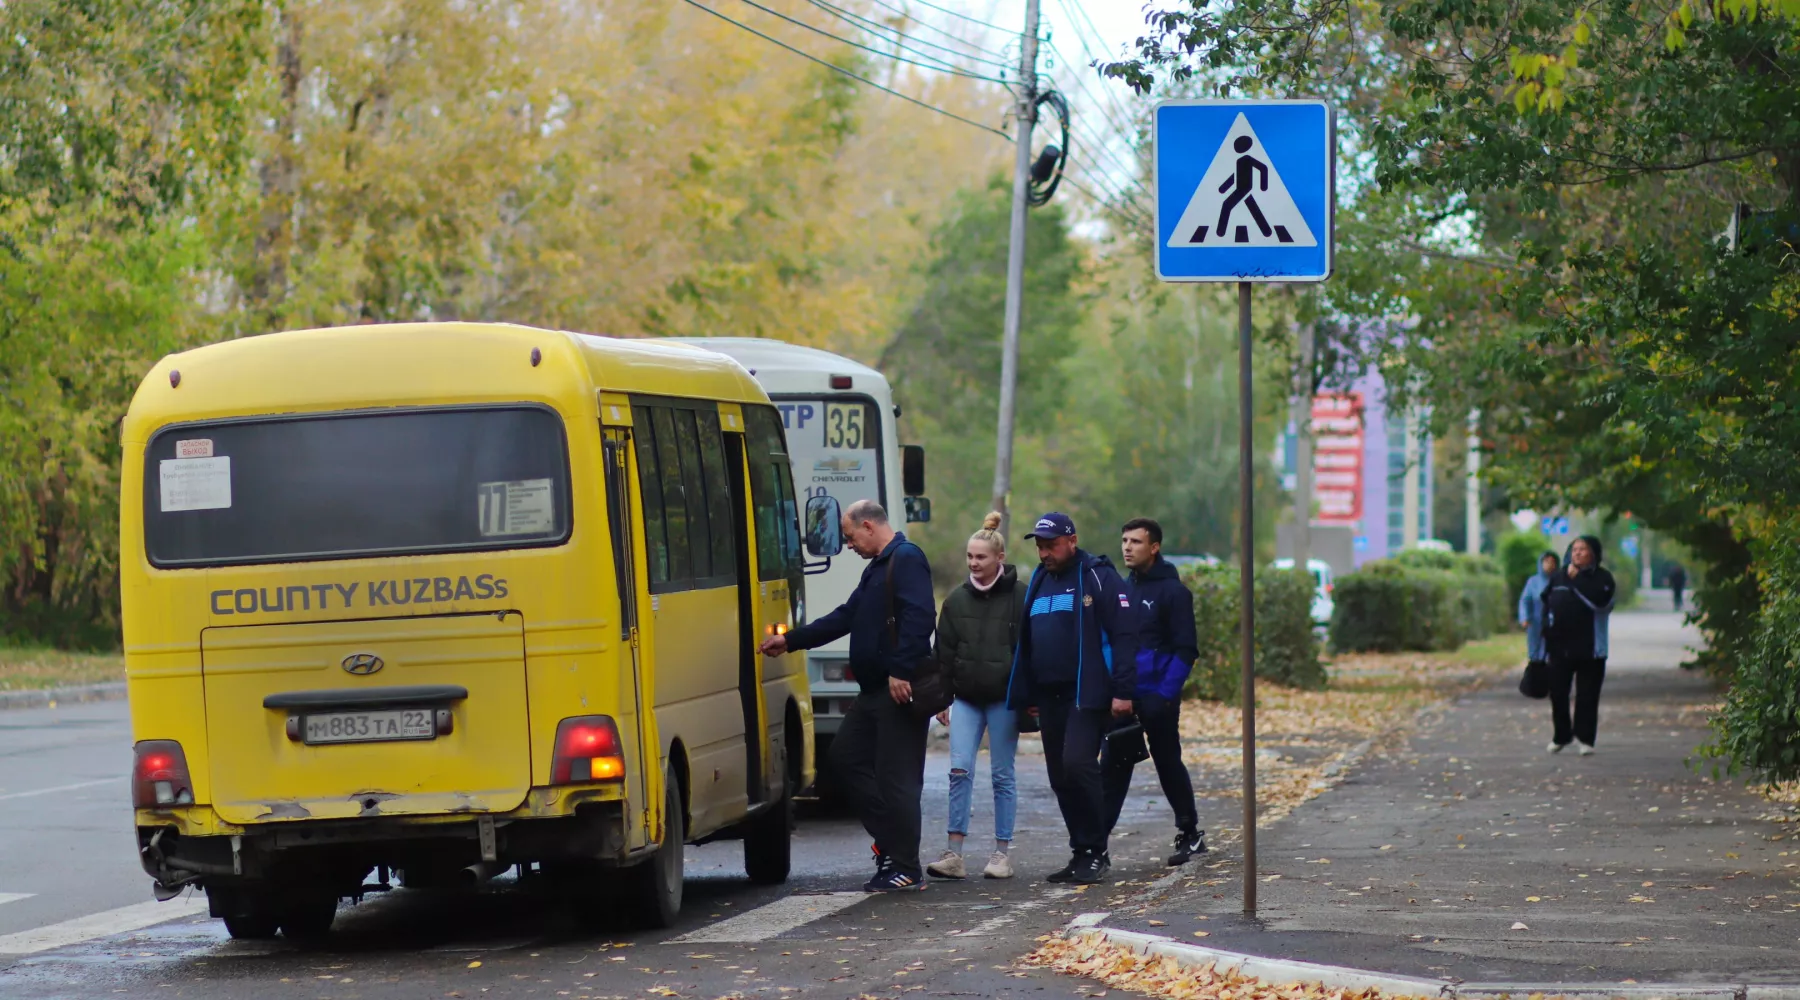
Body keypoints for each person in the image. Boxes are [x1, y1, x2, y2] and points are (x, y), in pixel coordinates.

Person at [759, 499, 935, 892]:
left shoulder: (906, 559)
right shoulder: (877, 568)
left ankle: (906, 867)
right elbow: (844, 616)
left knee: (898, 780)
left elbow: (921, 616)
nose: (848, 544)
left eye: (850, 535)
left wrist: (901, 670)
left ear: (869, 526)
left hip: (896, 690)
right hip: (873, 691)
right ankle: (891, 847)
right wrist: (789, 641)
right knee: (844, 759)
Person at [1005, 512, 1139, 884]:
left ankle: (1097, 850)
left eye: (1051, 545)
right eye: (1040, 546)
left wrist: (1123, 691)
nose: (1044, 553)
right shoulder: (1040, 579)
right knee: (1060, 775)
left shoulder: (1097, 575)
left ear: (1072, 541)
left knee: (1078, 764)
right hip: (1049, 696)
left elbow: (1125, 635)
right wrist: (1028, 691)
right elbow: (1029, 641)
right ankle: (1080, 852)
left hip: (1087, 692)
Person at [925, 512, 1029, 881]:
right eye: (970, 556)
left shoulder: (1021, 596)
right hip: (966, 698)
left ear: (999, 558)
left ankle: (1001, 854)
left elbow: (1029, 649)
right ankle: (954, 853)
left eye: (981, 556)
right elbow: (944, 654)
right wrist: (941, 697)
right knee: (959, 770)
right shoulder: (955, 600)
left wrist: (1029, 695)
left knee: (1003, 774)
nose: (974, 562)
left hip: (1004, 698)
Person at [1101, 518, 1206, 866]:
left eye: (1136, 542)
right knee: (1113, 765)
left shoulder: (1173, 592)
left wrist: (1164, 696)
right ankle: (1096, 843)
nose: (1127, 547)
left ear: (1154, 547)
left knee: (1167, 762)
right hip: (1124, 696)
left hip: (1157, 697)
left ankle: (1190, 833)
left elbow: (1185, 650)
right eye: (1124, 540)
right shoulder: (1122, 588)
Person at [1542, 535, 1615, 756]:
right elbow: (1547, 602)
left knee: (1587, 695)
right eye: (1574, 549)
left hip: (1591, 649)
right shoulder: (1560, 576)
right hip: (1560, 648)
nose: (1577, 553)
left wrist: (1576, 581)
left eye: (1583, 549)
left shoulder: (1602, 578)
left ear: (1593, 553)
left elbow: (1599, 602)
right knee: (1558, 693)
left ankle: (1585, 739)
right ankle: (1562, 735)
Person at [1518, 551, 1560, 665]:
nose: (1549, 565)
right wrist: (1524, 617)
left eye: (1552, 562)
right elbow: (1525, 601)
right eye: (1546, 562)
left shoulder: (1559, 581)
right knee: (1535, 653)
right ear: (1541, 563)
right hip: (1536, 621)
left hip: (1555, 622)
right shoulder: (1533, 582)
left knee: (1553, 651)